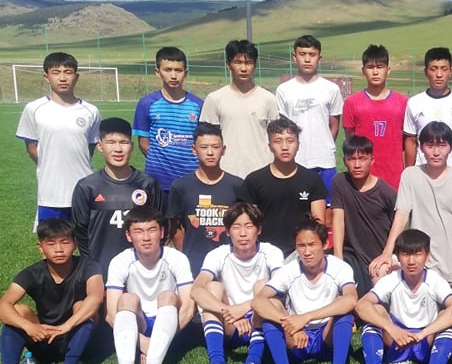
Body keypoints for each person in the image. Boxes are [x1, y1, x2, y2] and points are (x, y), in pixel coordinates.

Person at [252, 220, 358, 364]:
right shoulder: (289, 270)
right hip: (298, 339)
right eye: (301, 246)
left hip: (327, 337)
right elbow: (258, 301)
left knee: (345, 312)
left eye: (312, 245)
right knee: (270, 314)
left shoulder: (339, 267)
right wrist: (289, 323)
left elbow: (351, 299)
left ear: (325, 244)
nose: (306, 252)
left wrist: (306, 317)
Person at [0, 219, 103, 364]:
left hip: (78, 337)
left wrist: (67, 326)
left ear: (75, 244)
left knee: (83, 306)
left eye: (65, 242)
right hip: (44, 337)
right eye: (51, 244)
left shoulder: (89, 266)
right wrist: (29, 326)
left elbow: (95, 297)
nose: (59, 249)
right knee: (19, 311)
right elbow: (4, 305)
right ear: (40, 248)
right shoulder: (31, 273)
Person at [371, 122, 452, 288]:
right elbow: (401, 215)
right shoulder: (410, 175)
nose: (436, 152)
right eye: (430, 146)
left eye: (442, 146)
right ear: (421, 147)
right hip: (416, 260)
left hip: (448, 265)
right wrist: (387, 253)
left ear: (451, 148)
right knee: (378, 271)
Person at [355, 229, 452, 364]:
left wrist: (424, 333)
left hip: (425, 341)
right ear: (398, 257)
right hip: (396, 340)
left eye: (417, 254)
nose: (411, 261)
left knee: (447, 320)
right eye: (406, 254)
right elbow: (361, 305)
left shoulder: (435, 280)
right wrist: (392, 329)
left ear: (427, 256)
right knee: (375, 312)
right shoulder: (391, 279)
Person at [191, 202, 284, 364]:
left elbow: (280, 290)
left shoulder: (271, 252)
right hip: (231, 324)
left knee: (264, 287)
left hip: (261, 320)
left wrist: (245, 307)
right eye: (236, 227)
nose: (243, 233)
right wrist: (230, 312)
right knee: (213, 287)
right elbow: (196, 290)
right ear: (227, 231)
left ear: (259, 230)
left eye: (249, 226)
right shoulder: (217, 254)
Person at [105, 206, 194, 364]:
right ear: (128, 236)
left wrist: (156, 345)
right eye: (138, 231)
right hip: (137, 323)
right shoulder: (120, 261)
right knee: (127, 299)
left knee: (168, 295)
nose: (146, 237)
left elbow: (188, 308)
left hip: (168, 320)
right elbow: (111, 314)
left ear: (161, 232)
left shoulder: (177, 258)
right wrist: (143, 343)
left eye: (151, 230)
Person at [71, 118, 163, 276]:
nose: (118, 149)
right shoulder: (87, 187)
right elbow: (80, 232)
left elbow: (159, 227)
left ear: (131, 146)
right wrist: (91, 269)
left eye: (124, 142)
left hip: (142, 271)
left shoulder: (147, 184)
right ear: (100, 146)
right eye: (111, 142)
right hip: (102, 271)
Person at [16, 51, 101, 221]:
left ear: (76, 77)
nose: (62, 78)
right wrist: (51, 164)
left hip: (83, 189)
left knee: (85, 237)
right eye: (56, 72)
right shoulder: (34, 109)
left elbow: (90, 148)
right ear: (46, 77)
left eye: (68, 72)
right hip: (50, 193)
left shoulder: (91, 111)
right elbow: (32, 147)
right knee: (52, 237)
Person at [238, 117, 327, 257]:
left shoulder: (312, 180)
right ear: (269, 146)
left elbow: (319, 223)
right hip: (263, 252)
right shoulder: (254, 180)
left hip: (300, 252)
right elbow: (249, 222)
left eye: (290, 141)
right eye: (278, 141)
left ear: (298, 144)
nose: (285, 147)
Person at [166, 122, 244, 276]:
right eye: (203, 147)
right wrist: (185, 254)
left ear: (223, 150)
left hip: (230, 264)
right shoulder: (181, 186)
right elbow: (174, 226)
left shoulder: (237, 185)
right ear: (194, 150)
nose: (210, 152)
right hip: (194, 264)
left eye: (215, 147)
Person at [275, 35, 343, 198]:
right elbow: (283, 127)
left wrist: (324, 147)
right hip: (295, 161)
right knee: (295, 208)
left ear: (320, 58)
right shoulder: (284, 90)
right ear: (294, 57)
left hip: (324, 162)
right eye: (302, 54)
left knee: (326, 208)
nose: (307, 59)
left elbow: (334, 125)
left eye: (312, 54)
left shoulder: (331, 89)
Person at [199, 39, 278, 178]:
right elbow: (206, 139)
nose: (243, 68)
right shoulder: (215, 99)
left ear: (255, 65)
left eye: (248, 63)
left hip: (261, 173)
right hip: (225, 173)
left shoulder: (268, 99)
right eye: (238, 62)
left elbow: (276, 138)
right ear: (228, 65)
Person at [330, 135, 396, 297]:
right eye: (351, 159)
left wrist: (387, 254)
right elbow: (338, 220)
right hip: (351, 253)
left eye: (362, 159)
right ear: (344, 161)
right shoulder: (340, 182)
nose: (357, 165)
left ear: (372, 160)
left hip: (378, 255)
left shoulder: (385, 192)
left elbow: (398, 226)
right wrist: (338, 259)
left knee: (380, 289)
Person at [133, 46, 203, 198]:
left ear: (186, 73)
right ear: (158, 72)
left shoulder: (198, 105)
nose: (173, 75)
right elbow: (143, 143)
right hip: (158, 181)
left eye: (178, 70)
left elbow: (202, 142)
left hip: (191, 180)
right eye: (168, 70)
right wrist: (162, 164)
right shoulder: (147, 103)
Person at [341, 44, 408, 190]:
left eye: (380, 67)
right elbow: (351, 142)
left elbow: (407, 144)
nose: (375, 72)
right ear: (363, 71)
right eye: (370, 67)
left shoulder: (403, 102)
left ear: (388, 70)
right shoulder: (351, 103)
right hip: (363, 180)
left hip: (395, 179)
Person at [403, 47, 452, 172]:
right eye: (433, 69)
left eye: (444, 69)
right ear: (426, 72)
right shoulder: (414, 103)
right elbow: (410, 141)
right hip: (423, 174)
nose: (439, 75)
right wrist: (410, 174)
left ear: (450, 72)